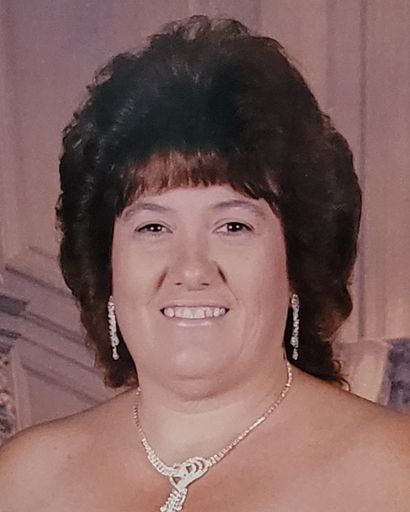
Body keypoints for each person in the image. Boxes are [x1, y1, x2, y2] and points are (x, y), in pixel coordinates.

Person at [0, 15, 408, 512]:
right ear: (107, 268)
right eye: (153, 227)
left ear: (296, 262)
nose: (191, 269)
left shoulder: (394, 474)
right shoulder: (24, 479)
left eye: (233, 226)